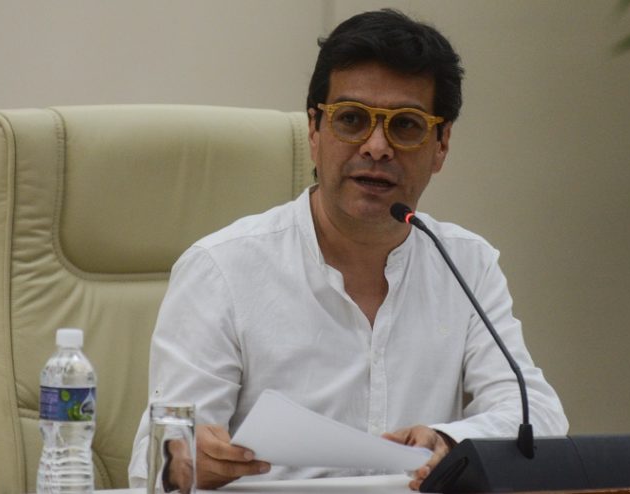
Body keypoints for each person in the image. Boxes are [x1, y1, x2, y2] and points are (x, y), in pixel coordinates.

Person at [129, 8, 568, 491]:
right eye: (352, 120)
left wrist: (449, 439)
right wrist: (187, 464)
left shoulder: (467, 263)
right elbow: (155, 464)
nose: (377, 147)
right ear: (314, 131)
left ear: (441, 145)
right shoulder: (222, 269)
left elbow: (538, 416)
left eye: (406, 125)